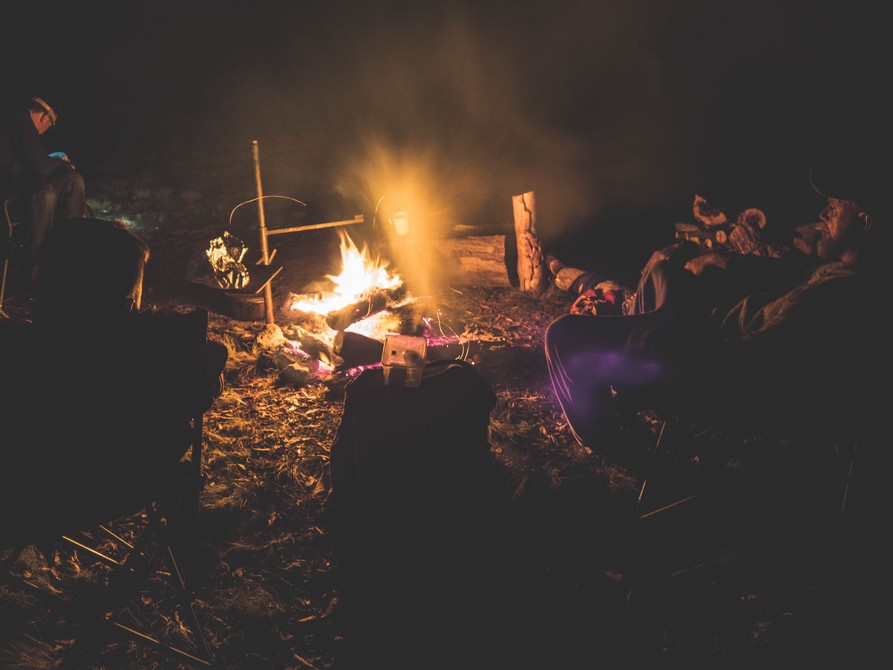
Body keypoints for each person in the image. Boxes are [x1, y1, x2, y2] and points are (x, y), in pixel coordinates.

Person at [545, 153, 886, 461]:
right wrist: (724, 263)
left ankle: (623, 453)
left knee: (564, 335)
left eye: (835, 208)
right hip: (701, 339)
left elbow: (748, 365)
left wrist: (652, 344)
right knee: (663, 267)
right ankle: (618, 419)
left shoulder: (840, 294)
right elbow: (783, 275)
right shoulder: (842, 274)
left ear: (865, 223)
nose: (822, 214)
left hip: (712, 383)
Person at [1, 217, 228, 544]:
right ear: (125, 300)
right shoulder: (153, 355)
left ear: (41, 278)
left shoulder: (16, 351)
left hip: (16, 506)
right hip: (116, 488)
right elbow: (209, 372)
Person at [0, 96, 89, 271]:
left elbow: (36, 161)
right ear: (45, 117)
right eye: (50, 125)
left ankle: (72, 248)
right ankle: (37, 265)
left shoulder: (18, 122)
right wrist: (63, 164)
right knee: (46, 195)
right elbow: (41, 166)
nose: (46, 130)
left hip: (21, 186)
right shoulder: (20, 121)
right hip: (8, 195)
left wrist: (59, 165)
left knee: (72, 179)